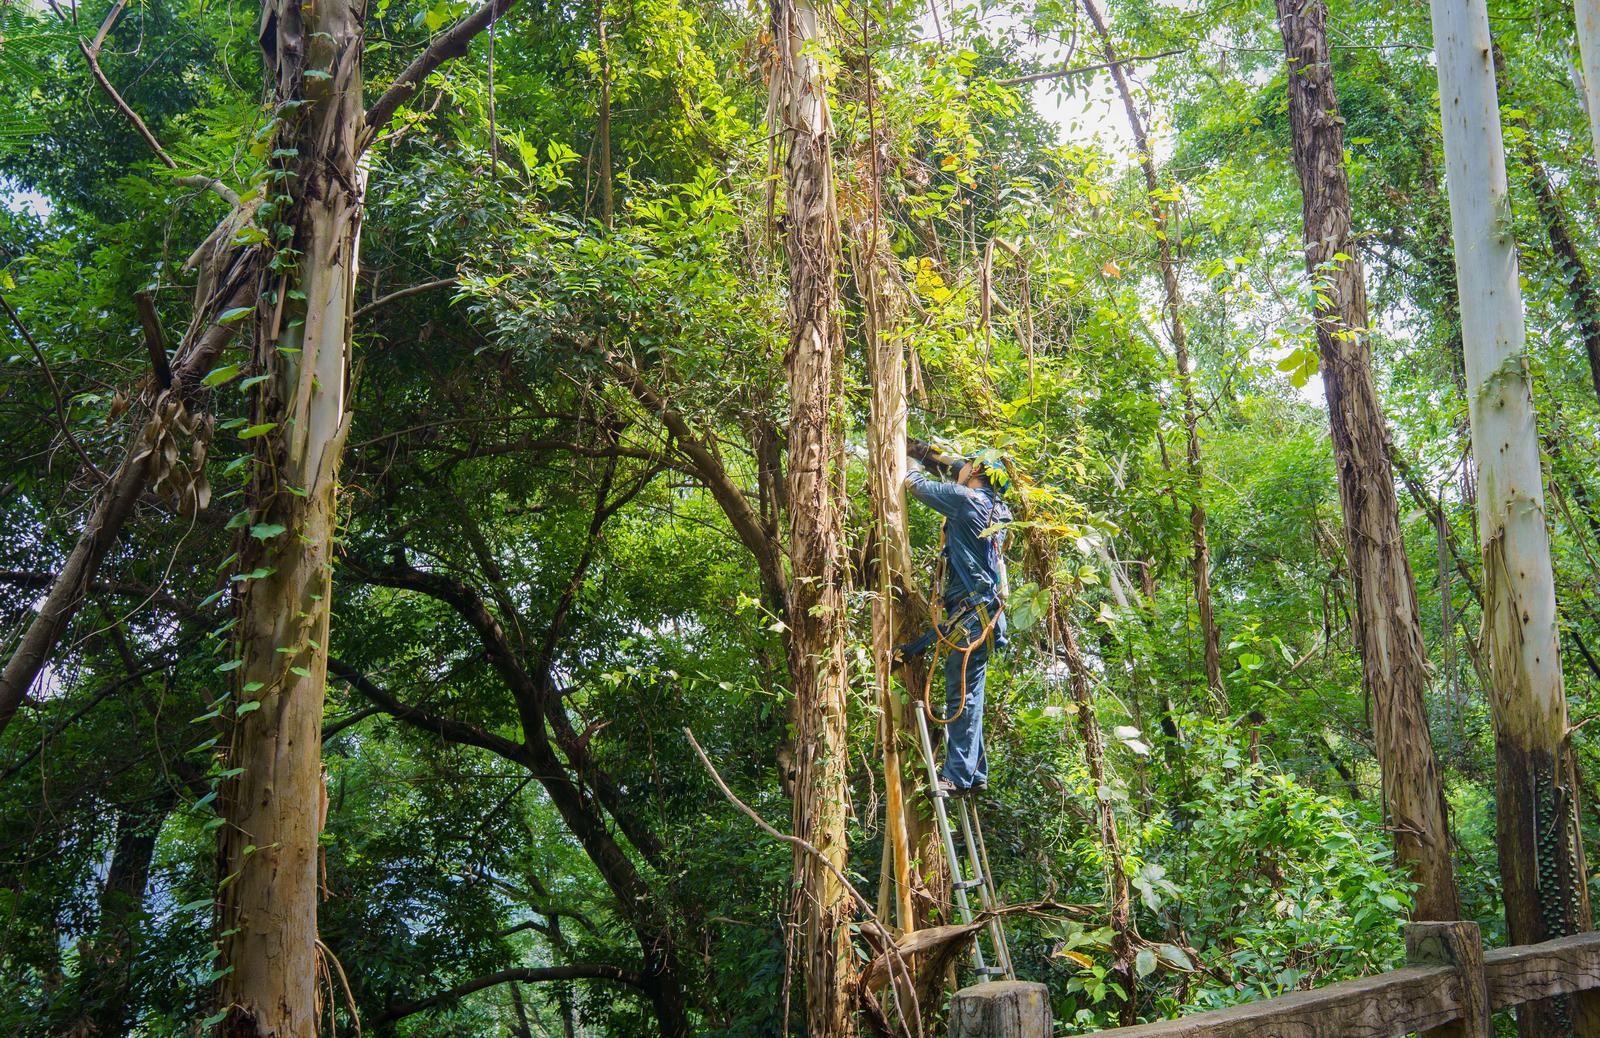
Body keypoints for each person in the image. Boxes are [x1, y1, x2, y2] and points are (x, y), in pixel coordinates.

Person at [898, 443, 1013, 797]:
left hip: (972, 614)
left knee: (961, 693)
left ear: (975, 474)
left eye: (968, 467)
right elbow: (957, 469)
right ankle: (974, 771)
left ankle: (958, 775)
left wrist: (908, 459)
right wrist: (933, 452)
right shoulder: (997, 509)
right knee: (970, 691)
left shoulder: (967, 501)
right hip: (981, 615)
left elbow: (915, 483)